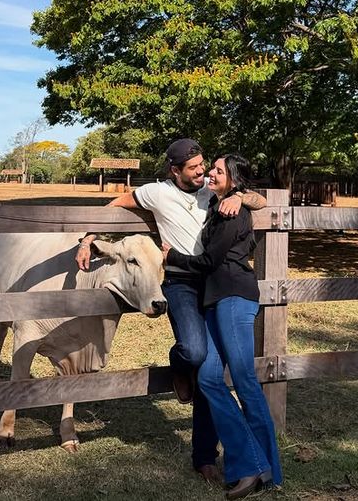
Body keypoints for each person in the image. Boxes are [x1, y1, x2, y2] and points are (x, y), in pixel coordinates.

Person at [75, 139, 267, 486]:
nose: (203, 172)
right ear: (174, 170)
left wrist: (240, 196)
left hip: (211, 284)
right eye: (194, 168)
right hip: (179, 283)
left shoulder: (212, 192)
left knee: (210, 371)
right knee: (194, 353)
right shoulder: (156, 193)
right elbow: (117, 202)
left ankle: (205, 457)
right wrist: (89, 237)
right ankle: (179, 365)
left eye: (205, 165)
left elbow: (260, 198)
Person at [162, 153, 282, 500]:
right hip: (214, 302)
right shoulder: (219, 206)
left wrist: (172, 258)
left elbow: (209, 261)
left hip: (233, 298)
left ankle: (263, 469)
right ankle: (252, 463)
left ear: (233, 179)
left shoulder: (234, 211)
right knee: (210, 379)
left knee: (244, 380)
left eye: (217, 170)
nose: (209, 173)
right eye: (209, 168)